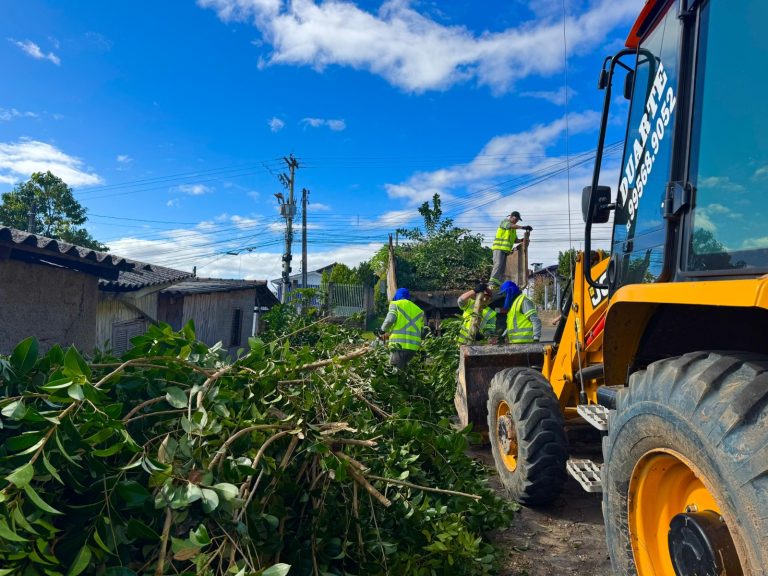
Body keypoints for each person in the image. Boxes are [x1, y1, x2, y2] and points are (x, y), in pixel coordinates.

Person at [380, 287, 424, 369]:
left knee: (394, 371)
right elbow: (421, 330)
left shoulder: (395, 304)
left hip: (398, 347)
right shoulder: (419, 310)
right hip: (413, 348)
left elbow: (390, 320)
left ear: (397, 296)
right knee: (402, 370)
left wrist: (382, 330)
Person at [489, 211, 533, 290]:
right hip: (498, 248)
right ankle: (491, 283)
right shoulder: (504, 222)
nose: (516, 221)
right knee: (498, 264)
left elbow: (515, 240)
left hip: (506, 251)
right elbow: (509, 226)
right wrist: (523, 227)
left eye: (517, 220)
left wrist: (522, 240)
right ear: (511, 217)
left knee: (502, 269)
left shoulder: (513, 230)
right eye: (516, 219)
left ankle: (498, 284)